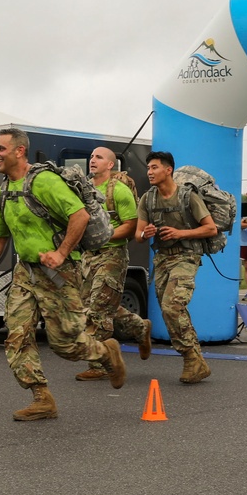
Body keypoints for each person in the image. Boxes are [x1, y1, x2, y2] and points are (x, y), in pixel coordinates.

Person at [0, 128, 126, 421]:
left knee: (65, 344)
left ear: (19, 151)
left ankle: (106, 353)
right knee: (16, 335)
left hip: (60, 273)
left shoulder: (44, 182)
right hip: (25, 273)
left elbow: (79, 216)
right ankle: (41, 397)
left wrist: (62, 253)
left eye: (1, 149)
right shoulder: (2, 192)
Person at [135, 151, 217, 383]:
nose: (149, 172)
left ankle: (191, 358)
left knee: (173, 306)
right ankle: (197, 361)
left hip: (187, 256)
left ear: (168, 169)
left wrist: (182, 233)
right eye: (148, 168)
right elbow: (138, 235)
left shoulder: (187, 196)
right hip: (162, 258)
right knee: (169, 309)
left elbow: (210, 229)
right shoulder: (147, 199)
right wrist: (145, 233)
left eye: (154, 167)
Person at [74, 147, 153, 381]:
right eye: (91, 156)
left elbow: (131, 225)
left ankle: (99, 364)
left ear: (111, 165)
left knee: (97, 310)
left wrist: (104, 236)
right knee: (97, 305)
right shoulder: (84, 191)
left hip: (113, 256)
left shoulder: (118, 190)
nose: (93, 160)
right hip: (88, 257)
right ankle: (140, 328)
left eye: (99, 157)